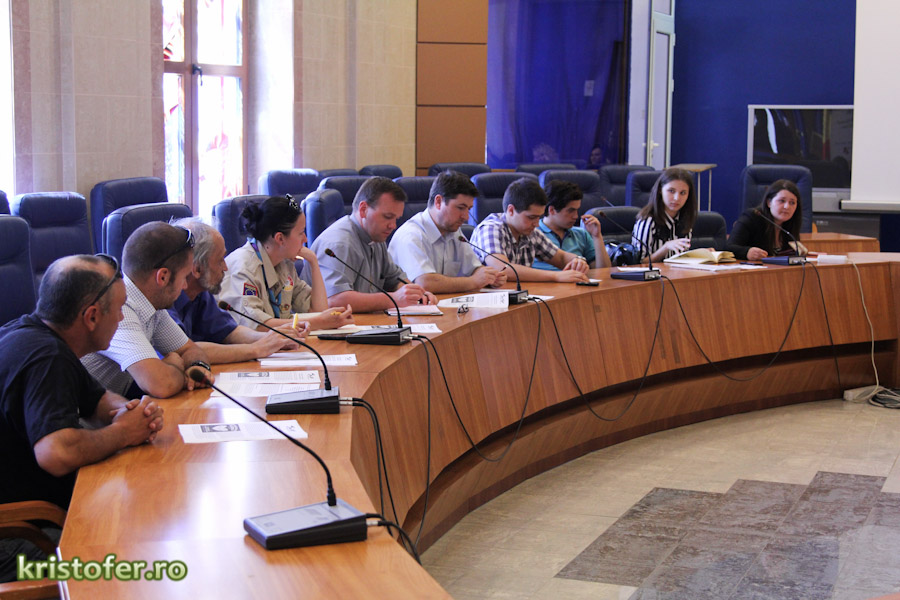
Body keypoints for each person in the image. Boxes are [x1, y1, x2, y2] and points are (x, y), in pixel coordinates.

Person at [0, 255, 164, 582]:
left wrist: (132, 413)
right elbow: (56, 453)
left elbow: (98, 400)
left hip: (32, 520)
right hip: (17, 536)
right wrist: (123, 433)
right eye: (118, 309)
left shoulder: (34, 334)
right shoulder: (47, 357)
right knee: (130, 572)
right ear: (91, 317)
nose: (122, 318)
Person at [82, 222, 214, 399]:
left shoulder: (152, 306)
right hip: (79, 415)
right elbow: (160, 384)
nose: (184, 286)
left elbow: (190, 349)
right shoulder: (119, 309)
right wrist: (174, 366)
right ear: (163, 277)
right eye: (184, 277)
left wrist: (197, 367)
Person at [167, 218, 302, 363]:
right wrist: (256, 349)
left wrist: (273, 338)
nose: (225, 267)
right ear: (197, 269)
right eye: (220, 260)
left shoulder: (201, 293)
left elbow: (229, 331)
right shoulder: (164, 299)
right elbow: (184, 350)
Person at [218, 196, 354, 331]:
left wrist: (313, 262)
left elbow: (317, 309)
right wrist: (318, 322)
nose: (305, 239)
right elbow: (256, 326)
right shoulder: (244, 269)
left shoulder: (284, 264)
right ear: (280, 238)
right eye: (301, 233)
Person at [311, 177, 437, 311]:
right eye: (388, 217)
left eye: (396, 219)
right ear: (363, 210)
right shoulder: (339, 244)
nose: (393, 225)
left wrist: (415, 293)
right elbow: (334, 301)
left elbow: (394, 279)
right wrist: (394, 299)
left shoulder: (376, 237)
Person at [388, 170, 507, 294]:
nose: (466, 217)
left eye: (468, 209)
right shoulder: (411, 235)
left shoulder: (453, 231)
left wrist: (489, 277)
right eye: (460, 208)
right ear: (438, 202)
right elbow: (425, 283)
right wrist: (474, 282)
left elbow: (474, 269)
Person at [469, 177, 590, 283]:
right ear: (511, 210)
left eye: (539, 217)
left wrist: (577, 261)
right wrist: (555, 276)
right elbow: (503, 268)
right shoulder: (490, 228)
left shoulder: (530, 232)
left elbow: (561, 257)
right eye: (531, 217)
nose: (536, 224)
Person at [533, 180, 611, 271]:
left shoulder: (581, 234)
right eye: (571, 211)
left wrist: (597, 236)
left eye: (577, 210)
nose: (576, 216)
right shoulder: (532, 233)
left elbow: (604, 271)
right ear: (552, 210)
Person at [727, 179, 807, 260]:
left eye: (792, 203)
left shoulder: (791, 224)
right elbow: (728, 248)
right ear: (769, 202)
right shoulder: (752, 217)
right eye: (782, 201)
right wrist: (746, 252)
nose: (787, 206)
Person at [631, 168, 698, 263]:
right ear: (660, 190)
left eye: (683, 193)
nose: (676, 198)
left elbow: (681, 257)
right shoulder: (647, 221)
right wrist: (665, 247)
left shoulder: (685, 219)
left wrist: (702, 254)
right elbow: (639, 263)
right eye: (671, 191)